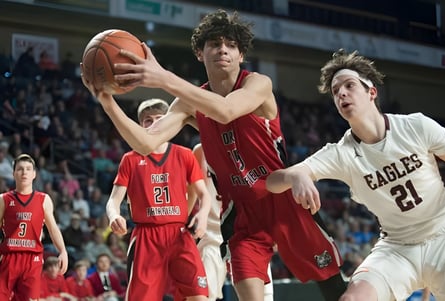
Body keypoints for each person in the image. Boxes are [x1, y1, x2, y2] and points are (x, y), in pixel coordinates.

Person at [82, 9, 347, 301]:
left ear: (240, 54)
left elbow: (226, 110)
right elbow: (145, 143)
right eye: (215, 44)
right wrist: (107, 103)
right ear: (200, 52)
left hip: (282, 196)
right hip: (240, 209)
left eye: (231, 45)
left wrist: (164, 78)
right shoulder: (187, 103)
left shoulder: (258, 84)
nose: (223, 49)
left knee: (332, 286)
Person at [265, 49, 445, 301]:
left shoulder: (416, 126)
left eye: (349, 85)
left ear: (371, 92)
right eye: (335, 91)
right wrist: (295, 176)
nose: (341, 93)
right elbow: (273, 182)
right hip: (397, 248)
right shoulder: (341, 154)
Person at [105, 98, 211, 301]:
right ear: (140, 125)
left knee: (199, 296)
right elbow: (113, 199)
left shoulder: (185, 155)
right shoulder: (131, 158)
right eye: (147, 120)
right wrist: (113, 215)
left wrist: (203, 215)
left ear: (170, 121)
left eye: (160, 119)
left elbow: (204, 193)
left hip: (179, 234)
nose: (154, 123)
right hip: (147, 236)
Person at [191, 143, 275, 301]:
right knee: (203, 295)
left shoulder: (247, 146)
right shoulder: (201, 151)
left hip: (247, 232)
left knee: (264, 297)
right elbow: (196, 193)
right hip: (212, 234)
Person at [0, 153, 68, 300]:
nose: (24, 172)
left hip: (33, 259)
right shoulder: (3, 199)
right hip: (8, 257)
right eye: (20, 169)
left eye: (28, 169)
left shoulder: (44, 199)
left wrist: (63, 250)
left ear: (34, 174)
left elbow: (53, 228)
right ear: (13, 173)